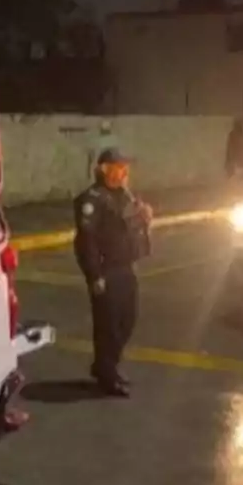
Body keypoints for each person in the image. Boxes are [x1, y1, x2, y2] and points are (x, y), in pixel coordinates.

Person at [73, 147, 153, 396]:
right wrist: (94, 275)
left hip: (126, 268)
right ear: (104, 169)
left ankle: (107, 366)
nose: (123, 172)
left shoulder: (125, 197)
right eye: (118, 167)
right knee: (108, 326)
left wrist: (145, 219)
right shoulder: (92, 199)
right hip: (107, 270)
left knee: (128, 320)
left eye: (125, 168)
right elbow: (86, 241)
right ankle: (107, 374)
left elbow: (129, 228)